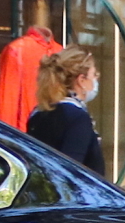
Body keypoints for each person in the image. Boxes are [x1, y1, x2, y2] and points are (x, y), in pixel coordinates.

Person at [26, 45, 106, 174]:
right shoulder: (77, 117)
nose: (96, 79)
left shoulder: (39, 113)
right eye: (94, 74)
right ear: (81, 80)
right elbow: (71, 171)